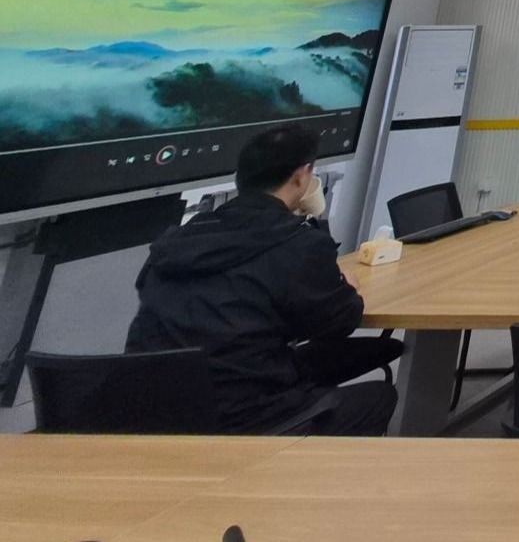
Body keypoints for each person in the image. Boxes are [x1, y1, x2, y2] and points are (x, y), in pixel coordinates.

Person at [127, 124, 404, 436]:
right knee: (379, 397)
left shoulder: (182, 237)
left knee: (315, 362)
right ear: (301, 177)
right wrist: (346, 287)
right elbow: (338, 322)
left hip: (154, 410)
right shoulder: (298, 242)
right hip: (242, 416)